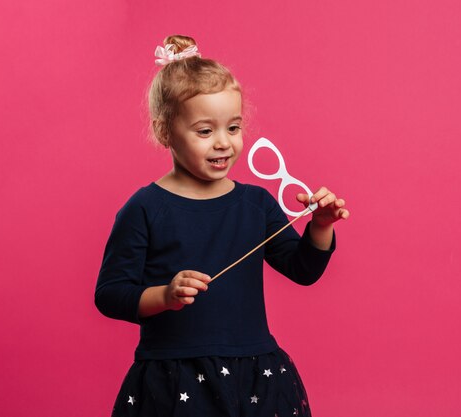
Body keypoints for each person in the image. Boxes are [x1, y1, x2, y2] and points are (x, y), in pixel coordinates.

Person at [95, 34, 349, 417]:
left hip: (254, 377)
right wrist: (165, 296)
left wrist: (321, 226)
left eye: (233, 128)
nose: (223, 144)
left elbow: (303, 270)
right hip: (174, 380)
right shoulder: (144, 208)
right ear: (165, 132)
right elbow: (111, 294)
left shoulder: (256, 204)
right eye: (204, 131)